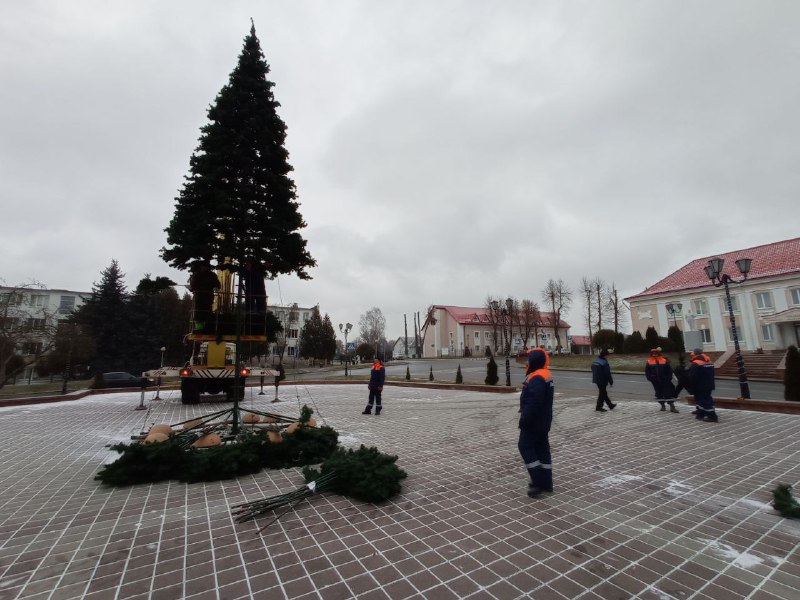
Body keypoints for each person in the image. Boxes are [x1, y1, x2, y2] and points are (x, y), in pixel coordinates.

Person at [518, 347, 554, 498]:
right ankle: (546, 483)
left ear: (534, 361)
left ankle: (537, 481)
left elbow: (534, 402)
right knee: (542, 449)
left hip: (533, 421)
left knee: (525, 446)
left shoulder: (537, 377)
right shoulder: (545, 374)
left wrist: (524, 419)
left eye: (528, 359)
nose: (526, 362)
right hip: (543, 421)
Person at [688, 348, 718, 422]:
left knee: (704, 400)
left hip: (700, 385)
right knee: (706, 399)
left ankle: (712, 416)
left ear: (695, 354)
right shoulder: (709, 361)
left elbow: (692, 376)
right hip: (709, 384)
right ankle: (700, 413)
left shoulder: (695, 363)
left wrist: (691, 386)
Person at [645, 347, 679, 413]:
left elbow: (669, 370)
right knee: (658, 394)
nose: (654, 354)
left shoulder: (663, 360)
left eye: (656, 353)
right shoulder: (649, 361)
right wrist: (650, 379)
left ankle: (672, 406)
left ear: (658, 353)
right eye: (653, 353)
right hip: (655, 381)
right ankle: (662, 405)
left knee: (668, 393)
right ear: (651, 354)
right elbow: (647, 371)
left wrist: (669, 378)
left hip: (665, 380)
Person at [188, 262, 221, 328]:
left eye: (204, 267)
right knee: (200, 312)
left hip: (205, 296)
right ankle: (200, 328)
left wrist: (216, 287)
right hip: (201, 297)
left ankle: (204, 328)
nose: (203, 268)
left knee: (203, 312)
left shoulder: (210, 275)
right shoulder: (198, 275)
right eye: (202, 267)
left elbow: (217, 284)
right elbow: (193, 286)